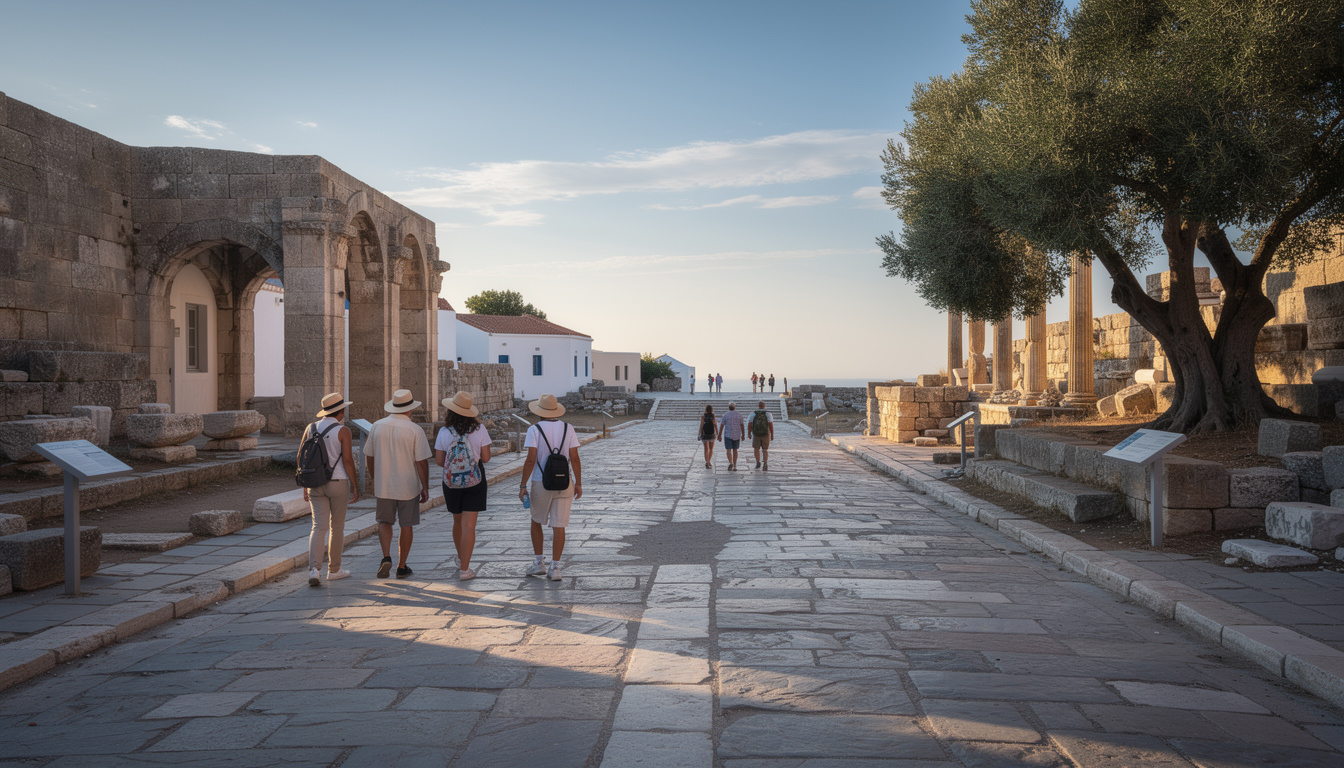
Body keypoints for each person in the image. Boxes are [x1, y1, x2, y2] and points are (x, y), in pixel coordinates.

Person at [365, 389, 432, 579]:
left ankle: (386, 556)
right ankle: (402, 566)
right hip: (408, 485)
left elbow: (370, 456)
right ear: (410, 409)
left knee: (384, 522)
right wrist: (425, 486)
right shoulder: (414, 430)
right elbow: (421, 462)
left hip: (384, 483)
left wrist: (374, 478)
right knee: (406, 524)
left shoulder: (377, 426)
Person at [518, 394, 582, 581]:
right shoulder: (568, 428)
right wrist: (578, 482)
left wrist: (523, 485)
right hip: (564, 482)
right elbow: (575, 458)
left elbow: (531, 460)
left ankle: (539, 562)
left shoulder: (534, 429)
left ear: (539, 411)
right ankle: (555, 567)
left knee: (536, 520)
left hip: (541, 481)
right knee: (559, 525)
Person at [434, 391, 492, 581]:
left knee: (457, 521)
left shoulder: (444, 432)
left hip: (451, 482)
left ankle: (460, 558)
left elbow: (439, 461)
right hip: (475, 480)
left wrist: (456, 466)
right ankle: (465, 570)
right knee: (469, 525)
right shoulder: (480, 430)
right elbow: (486, 458)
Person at [303, 393, 360, 587]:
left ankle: (314, 570)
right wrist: (355, 486)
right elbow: (348, 461)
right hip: (337, 481)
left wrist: (305, 485)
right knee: (337, 527)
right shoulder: (343, 431)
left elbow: (301, 457)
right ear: (341, 411)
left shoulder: (310, 428)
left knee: (318, 527)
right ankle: (334, 570)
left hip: (314, 482)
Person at [717, 402, 745, 471]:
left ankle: (731, 462)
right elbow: (742, 425)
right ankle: (735, 466)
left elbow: (722, 425)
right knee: (735, 450)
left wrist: (719, 435)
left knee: (728, 450)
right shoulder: (739, 415)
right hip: (737, 435)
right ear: (735, 407)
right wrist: (743, 434)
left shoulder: (726, 415)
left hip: (728, 435)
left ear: (729, 407)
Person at [749, 400, 776, 471]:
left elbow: (750, 423)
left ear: (758, 406)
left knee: (756, 448)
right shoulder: (768, 414)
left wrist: (749, 433)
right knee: (765, 449)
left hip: (756, 434)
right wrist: (772, 434)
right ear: (764, 406)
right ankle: (765, 462)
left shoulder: (753, 414)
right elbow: (770, 424)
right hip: (765, 434)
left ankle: (758, 462)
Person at [698, 404, 717, 469]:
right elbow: (715, 425)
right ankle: (709, 461)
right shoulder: (713, 416)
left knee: (706, 449)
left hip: (704, 434)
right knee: (711, 449)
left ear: (705, 409)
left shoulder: (703, 416)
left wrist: (699, 433)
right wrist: (717, 433)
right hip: (711, 434)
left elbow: (701, 425)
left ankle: (707, 462)